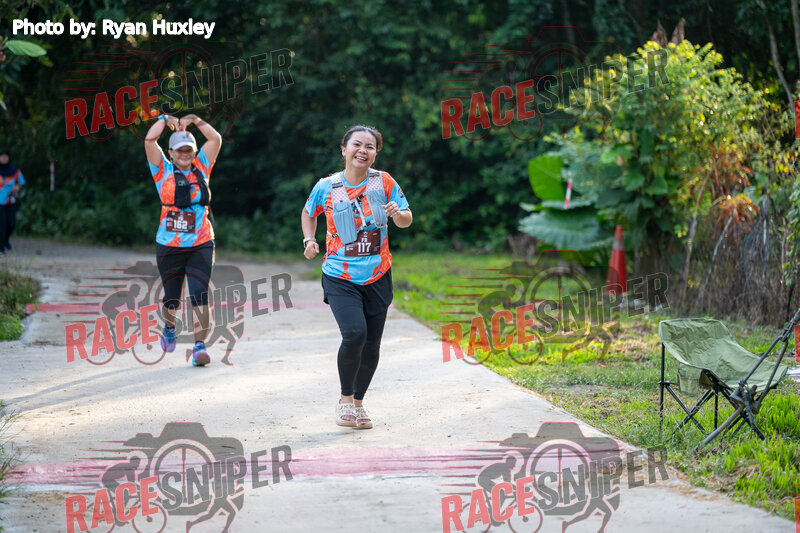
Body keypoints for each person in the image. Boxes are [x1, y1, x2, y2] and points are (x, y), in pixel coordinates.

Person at [301, 125, 412, 429]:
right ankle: (345, 400)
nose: (363, 150)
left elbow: (406, 219)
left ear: (376, 153)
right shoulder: (327, 186)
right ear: (344, 149)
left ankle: (359, 404)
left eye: (370, 146)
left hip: (378, 275)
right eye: (357, 144)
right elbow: (309, 212)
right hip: (340, 275)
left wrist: (397, 214)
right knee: (354, 334)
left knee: (372, 344)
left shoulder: (384, 182)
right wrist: (309, 240)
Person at [144, 113, 221, 366]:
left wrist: (195, 119)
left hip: (201, 242)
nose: (185, 154)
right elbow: (149, 140)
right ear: (171, 152)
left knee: (199, 294)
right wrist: (164, 118)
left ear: (194, 151)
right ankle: (169, 327)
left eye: (189, 149)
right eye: (179, 150)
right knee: (172, 298)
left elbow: (215, 139)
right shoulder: (162, 170)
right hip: (169, 246)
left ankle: (199, 347)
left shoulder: (202, 166)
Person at [0, 149, 26, 253]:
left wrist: (17, 187)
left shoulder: (14, 170)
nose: (4, 158)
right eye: (2, 156)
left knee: (11, 224)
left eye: (6, 156)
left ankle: (5, 241)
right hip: (0, 202)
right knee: (2, 224)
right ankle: (1, 246)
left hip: (10, 200)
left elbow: (22, 181)